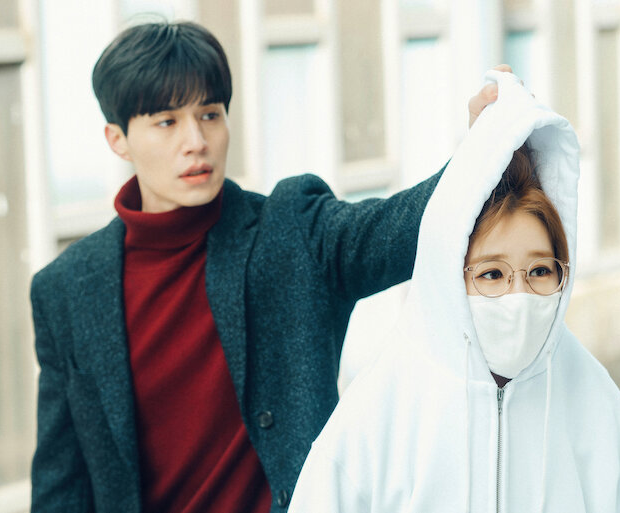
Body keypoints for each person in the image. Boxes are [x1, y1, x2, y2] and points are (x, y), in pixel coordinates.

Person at [29, 20, 503, 512]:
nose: (196, 140)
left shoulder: (291, 231)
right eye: (167, 122)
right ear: (118, 139)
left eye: (210, 114)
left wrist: (480, 155)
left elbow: (402, 227)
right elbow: (60, 484)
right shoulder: (66, 290)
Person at [287, 71, 620, 512]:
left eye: (540, 271)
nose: (518, 296)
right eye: (491, 274)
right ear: (451, 275)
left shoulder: (594, 402)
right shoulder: (379, 413)